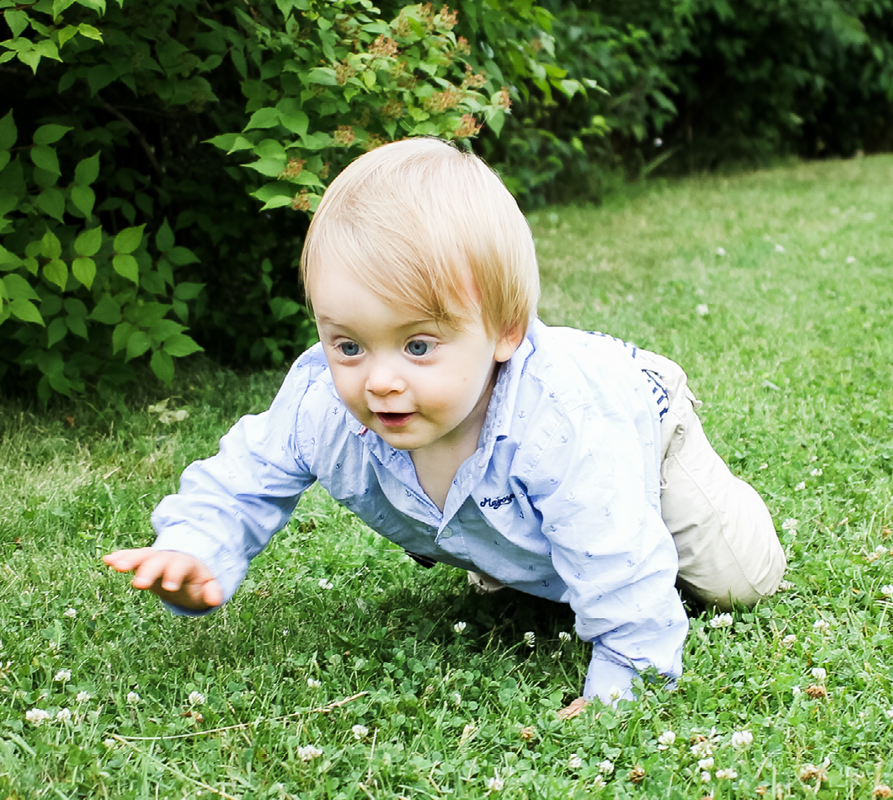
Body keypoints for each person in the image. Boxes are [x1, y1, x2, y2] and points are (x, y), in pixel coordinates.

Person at [103, 137, 786, 712]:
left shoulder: (562, 424)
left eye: (419, 344)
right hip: (533, 486)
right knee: (543, 561)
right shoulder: (323, 406)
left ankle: (712, 511)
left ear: (504, 332)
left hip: (641, 427)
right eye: (349, 345)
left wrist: (628, 676)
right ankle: (520, 550)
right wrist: (195, 548)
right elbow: (244, 476)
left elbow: (617, 555)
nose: (380, 380)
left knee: (736, 581)